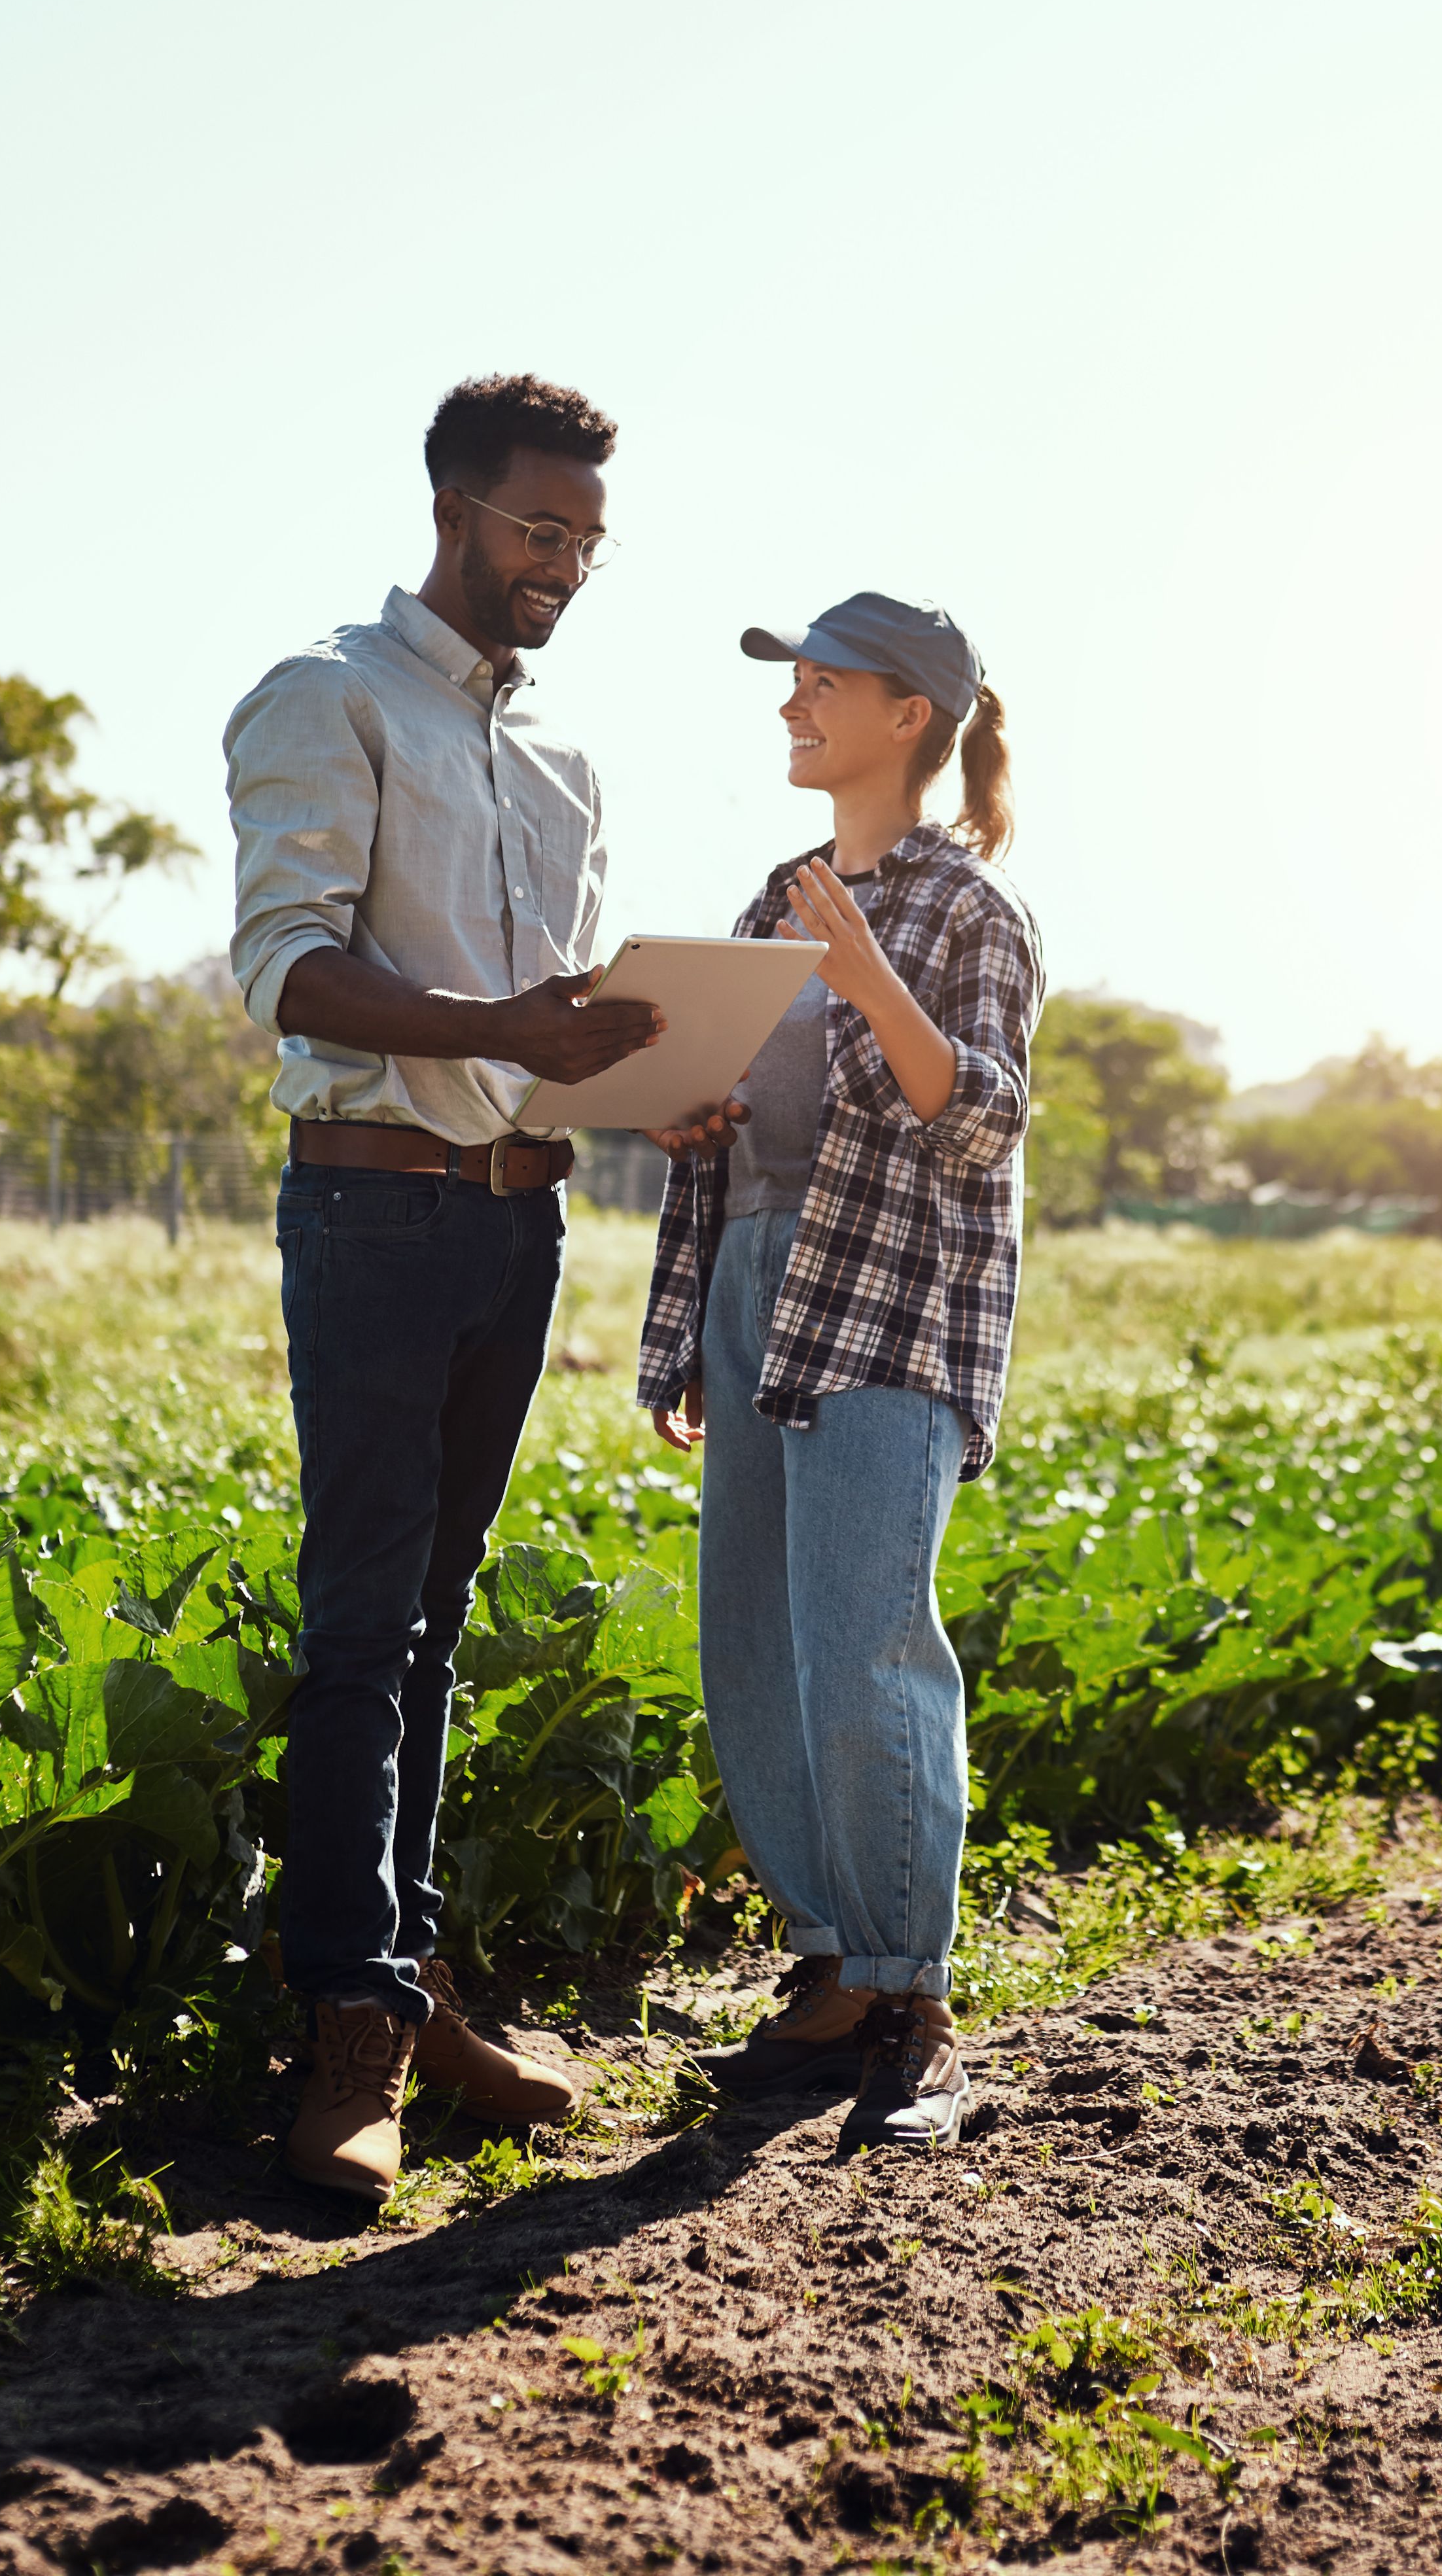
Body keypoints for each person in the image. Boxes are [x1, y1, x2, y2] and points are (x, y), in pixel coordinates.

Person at [224, 373, 667, 2205]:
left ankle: (409, 1989)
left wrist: (648, 1072)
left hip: (515, 1223)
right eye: (538, 528)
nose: (562, 563)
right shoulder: (327, 696)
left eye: (589, 541)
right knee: (359, 1627)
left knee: (436, 1619)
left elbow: (553, 1019)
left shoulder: (564, 762)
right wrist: (498, 1027)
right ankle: (343, 2026)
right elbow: (289, 968)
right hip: (376, 1213)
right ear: (451, 511)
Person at [637, 591, 1042, 2149]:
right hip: (757, 1289)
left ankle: (914, 2004)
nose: (792, 706)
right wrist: (686, 1116)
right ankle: (830, 1972)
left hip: (886, 1308)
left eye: (822, 684)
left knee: (871, 1650)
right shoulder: (770, 905)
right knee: (752, 1648)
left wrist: (871, 979)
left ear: (909, 716)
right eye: (791, 683)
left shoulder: (970, 912)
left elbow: (984, 1120)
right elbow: (745, 1126)